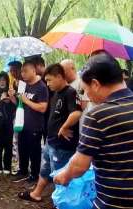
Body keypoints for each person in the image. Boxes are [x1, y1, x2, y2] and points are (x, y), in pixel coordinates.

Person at [54, 52, 133, 208]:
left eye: (85, 90)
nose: (87, 96)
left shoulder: (98, 115)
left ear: (95, 84)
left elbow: (79, 166)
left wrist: (64, 175)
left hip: (115, 202)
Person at [18, 63, 82, 202]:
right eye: (46, 80)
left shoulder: (70, 92)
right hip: (51, 141)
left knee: (60, 175)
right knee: (46, 169)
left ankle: (62, 202)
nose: (47, 84)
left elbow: (76, 112)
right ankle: (36, 193)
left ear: (59, 76)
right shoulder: (56, 93)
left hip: (62, 145)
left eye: (49, 80)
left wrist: (64, 127)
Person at [9, 60, 49, 183]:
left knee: (34, 151)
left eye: (25, 71)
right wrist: (12, 97)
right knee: (22, 148)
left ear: (33, 70)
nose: (23, 74)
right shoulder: (22, 85)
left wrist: (26, 101)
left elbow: (43, 108)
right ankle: (23, 170)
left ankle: (35, 174)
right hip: (22, 123)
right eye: (22, 71)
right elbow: (19, 104)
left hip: (35, 125)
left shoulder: (42, 86)